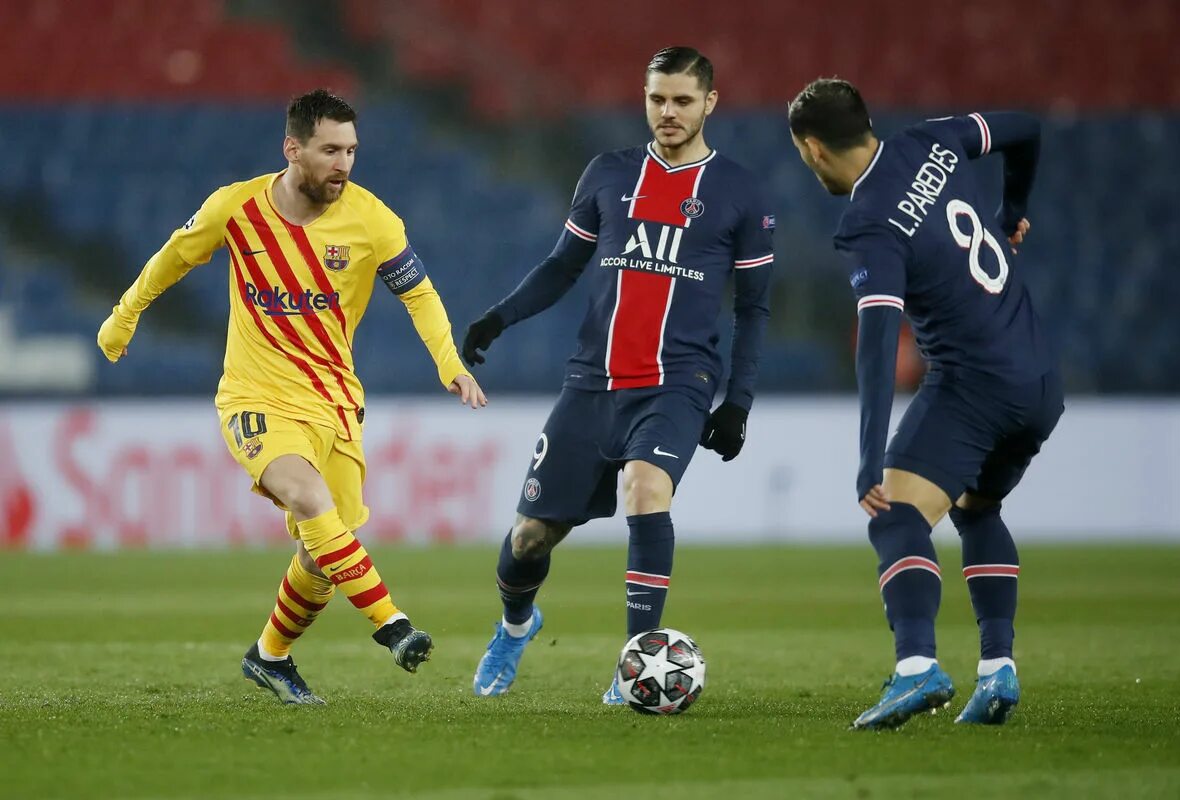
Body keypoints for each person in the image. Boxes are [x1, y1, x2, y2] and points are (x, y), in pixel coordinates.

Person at [96, 89, 486, 705]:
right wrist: (125, 315)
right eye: (331, 149)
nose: (344, 164)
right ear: (293, 148)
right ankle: (393, 624)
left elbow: (420, 294)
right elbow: (173, 258)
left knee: (323, 550)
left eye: (352, 150)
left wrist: (449, 362)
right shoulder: (237, 207)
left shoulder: (372, 220)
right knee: (309, 499)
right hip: (254, 398)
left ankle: (270, 656)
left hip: (334, 404)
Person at [461, 46, 774, 703]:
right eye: (657, 98)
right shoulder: (608, 174)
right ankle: (516, 627)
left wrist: (737, 401)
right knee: (529, 536)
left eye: (683, 100)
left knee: (645, 488)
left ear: (710, 103)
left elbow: (753, 308)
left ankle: (635, 665)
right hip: (592, 385)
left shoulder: (739, 192)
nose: (668, 111)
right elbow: (560, 266)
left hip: (677, 383)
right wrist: (498, 318)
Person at [787, 78, 1063, 728]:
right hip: (1040, 377)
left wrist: (867, 462)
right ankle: (998, 671)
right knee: (977, 507)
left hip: (974, 384)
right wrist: (1010, 208)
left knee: (896, 515)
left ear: (814, 149)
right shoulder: (930, 141)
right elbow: (1026, 124)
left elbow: (879, 345)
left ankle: (916, 667)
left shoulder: (869, 223)